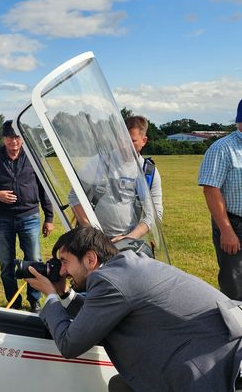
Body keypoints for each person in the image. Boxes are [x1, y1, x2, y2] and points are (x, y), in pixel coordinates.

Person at [27, 226, 242, 392]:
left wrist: (51, 296)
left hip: (217, 371)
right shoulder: (122, 269)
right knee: (121, 386)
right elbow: (98, 316)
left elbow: (69, 343)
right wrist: (64, 295)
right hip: (217, 352)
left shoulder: (108, 280)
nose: (62, 271)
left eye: (65, 262)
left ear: (90, 259)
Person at [0, 120, 54, 312]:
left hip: (30, 217)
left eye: (17, 137)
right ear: (4, 139)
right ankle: (14, 302)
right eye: (10, 137)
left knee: (34, 261)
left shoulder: (32, 157)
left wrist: (49, 217)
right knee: (6, 263)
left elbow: (44, 187)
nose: (14, 141)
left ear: (22, 138)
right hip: (3, 219)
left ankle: (34, 300)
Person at [198, 99, 242, 301]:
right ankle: (235, 328)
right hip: (233, 224)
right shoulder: (222, 148)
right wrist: (226, 231)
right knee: (234, 284)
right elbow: (211, 190)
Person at [125, 115, 163, 221]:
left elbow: (156, 214)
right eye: (122, 139)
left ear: (144, 141)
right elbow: (76, 198)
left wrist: (131, 236)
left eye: (132, 141)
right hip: (95, 236)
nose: (125, 145)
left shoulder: (149, 172)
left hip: (132, 236)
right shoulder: (100, 163)